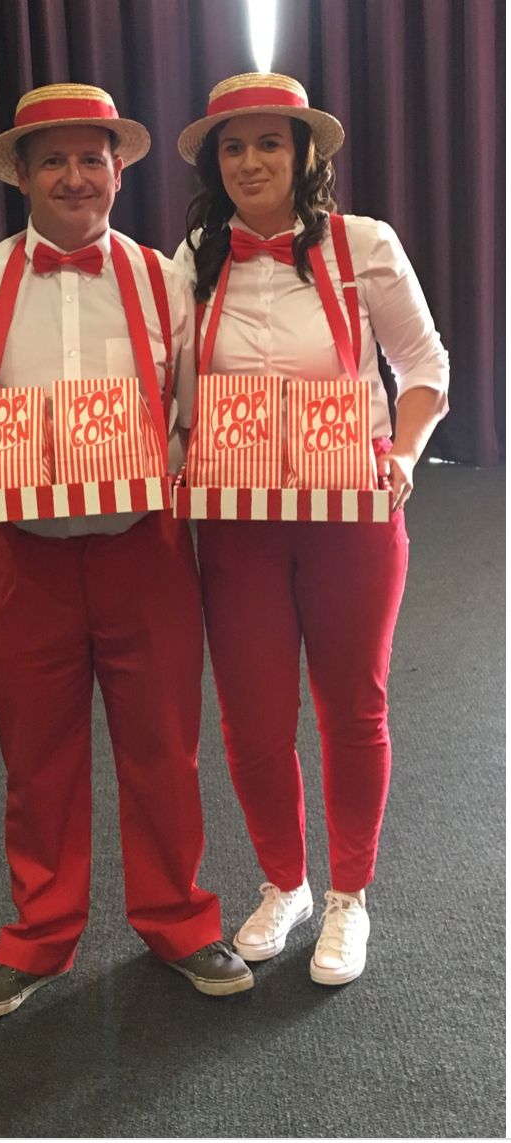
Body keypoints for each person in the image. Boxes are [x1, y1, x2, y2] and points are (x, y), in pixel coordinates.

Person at [0, 82, 253, 1016]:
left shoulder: (163, 278)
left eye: (92, 157)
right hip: (25, 560)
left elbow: (196, 413)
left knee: (164, 747)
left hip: (147, 550)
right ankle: (39, 937)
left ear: (119, 170)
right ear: (20, 173)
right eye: (51, 158)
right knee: (36, 755)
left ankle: (178, 919)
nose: (74, 176)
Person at [174, 72, 449, 985]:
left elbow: (424, 364)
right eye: (233, 145)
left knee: (352, 703)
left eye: (269, 143)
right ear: (217, 162)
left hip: (349, 516)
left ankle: (349, 895)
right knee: (252, 715)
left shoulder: (364, 245)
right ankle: (284, 881)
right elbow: (158, 377)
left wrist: (404, 453)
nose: (251, 161)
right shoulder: (192, 261)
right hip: (239, 523)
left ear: (304, 154)